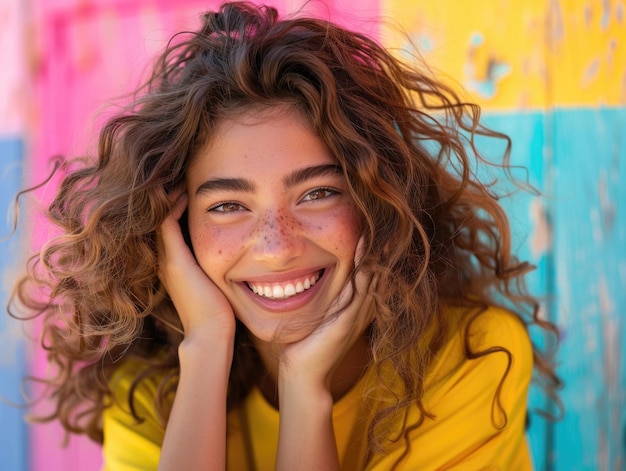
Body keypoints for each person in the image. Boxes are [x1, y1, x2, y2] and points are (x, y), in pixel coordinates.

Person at [11, 2, 561, 469]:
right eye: (228, 206)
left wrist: (305, 391)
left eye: (318, 193)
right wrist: (204, 349)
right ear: (176, 232)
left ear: (377, 199)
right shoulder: (149, 391)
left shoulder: (470, 355)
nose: (276, 244)